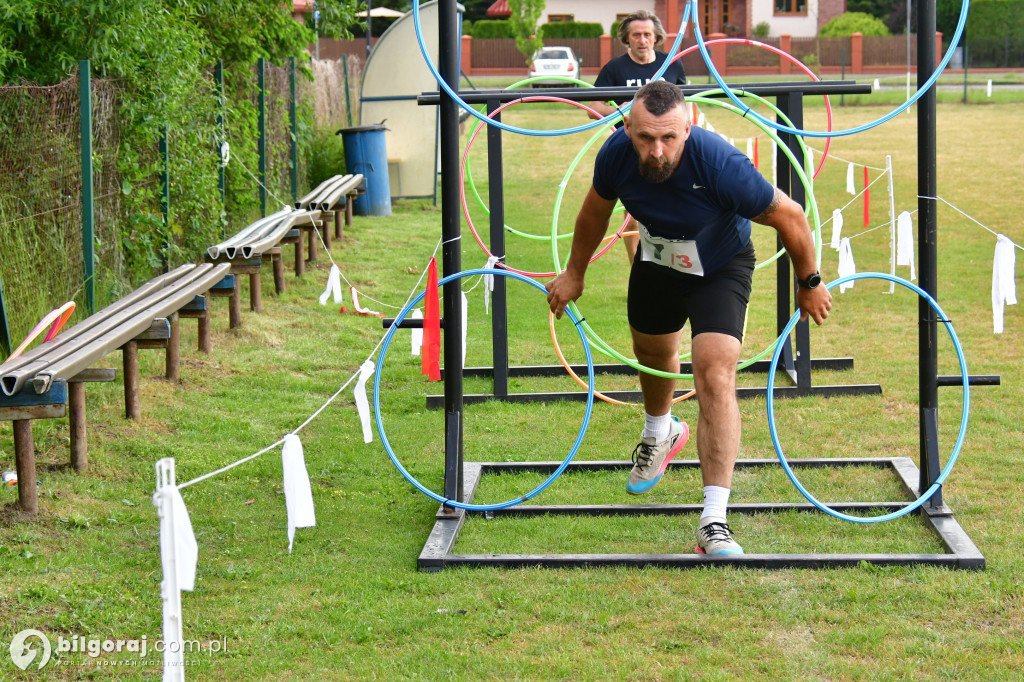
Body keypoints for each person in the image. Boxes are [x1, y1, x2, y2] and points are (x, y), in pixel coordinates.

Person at [547, 81, 832, 555]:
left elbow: (792, 216)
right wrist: (574, 272)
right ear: (627, 128)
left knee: (714, 370)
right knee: (653, 352)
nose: (656, 152)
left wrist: (809, 281)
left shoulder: (721, 165)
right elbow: (594, 213)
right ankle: (661, 431)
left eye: (669, 139)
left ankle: (714, 520)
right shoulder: (616, 155)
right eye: (645, 138)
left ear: (689, 127)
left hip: (720, 266)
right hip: (659, 261)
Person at [589, 10, 687, 264]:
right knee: (633, 212)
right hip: (631, 147)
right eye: (636, 35)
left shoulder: (671, 64)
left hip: (670, 147)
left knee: (676, 205)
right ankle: (638, 268)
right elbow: (592, 107)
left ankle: (673, 264)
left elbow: (688, 102)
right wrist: (620, 110)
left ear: (656, 37)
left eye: (647, 35)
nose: (642, 40)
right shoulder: (615, 68)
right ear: (627, 39)